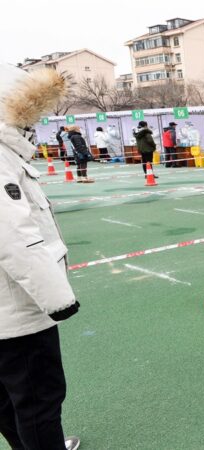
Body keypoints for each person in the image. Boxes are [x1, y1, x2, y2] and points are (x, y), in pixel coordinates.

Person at [0, 64, 81, 450]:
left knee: (8, 397)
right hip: (18, 309)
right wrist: (58, 299)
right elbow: (13, 236)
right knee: (39, 399)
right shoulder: (1, 158)